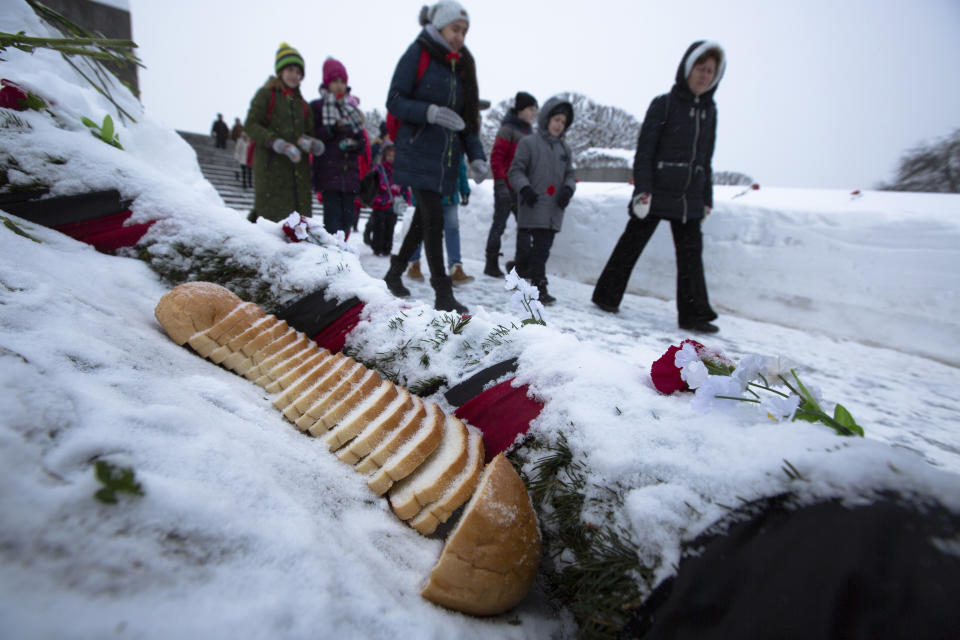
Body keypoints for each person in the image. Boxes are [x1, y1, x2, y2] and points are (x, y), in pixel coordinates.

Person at [591, 40, 725, 333]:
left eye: (711, 72)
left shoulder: (710, 111)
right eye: (701, 69)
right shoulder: (664, 104)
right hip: (657, 190)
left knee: (691, 255)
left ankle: (694, 314)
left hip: (690, 197)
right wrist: (643, 191)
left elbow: (706, 158)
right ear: (688, 69)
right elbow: (645, 151)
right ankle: (606, 296)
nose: (705, 76)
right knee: (631, 244)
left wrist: (706, 198)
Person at [382, 0, 488, 314]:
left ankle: (393, 273)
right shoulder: (419, 52)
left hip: (445, 158)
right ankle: (442, 293)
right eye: (456, 28)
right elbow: (395, 100)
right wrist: (429, 112)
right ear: (440, 24)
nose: (460, 36)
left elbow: (466, 120)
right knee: (435, 220)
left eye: (465, 31)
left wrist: (477, 157)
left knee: (423, 221)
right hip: (417, 151)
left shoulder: (461, 64)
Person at [243, 43, 325, 223]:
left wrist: (310, 143)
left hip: (299, 174)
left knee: (298, 224)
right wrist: (275, 142)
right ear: (280, 70)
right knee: (270, 222)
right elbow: (250, 124)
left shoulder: (302, 104)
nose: (295, 75)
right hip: (271, 170)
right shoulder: (266, 94)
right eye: (290, 70)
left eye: (298, 72)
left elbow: (309, 133)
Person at [506, 96, 576, 305]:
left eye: (563, 122)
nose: (559, 125)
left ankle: (519, 272)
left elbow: (570, 175)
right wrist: (525, 188)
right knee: (537, 249)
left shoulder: (565, 149)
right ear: (546, 119)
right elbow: (516, 170)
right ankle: (538, 286)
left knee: (541, 250)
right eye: (556, 119)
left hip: (554, 208)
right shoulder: (529, 143)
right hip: (533, 204)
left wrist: (568, 190)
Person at [484, 91, 537, 277]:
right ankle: (490, 263)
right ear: (521, 109)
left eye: (535, 110)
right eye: (531, 109)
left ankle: (521, 266)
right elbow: (496, 157)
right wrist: (500, 183)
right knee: (499, 224)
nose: (533, 114)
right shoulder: (507, 129)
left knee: (525, 226)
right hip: (505, 185)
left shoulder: (530, 132)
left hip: (521, 188)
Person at [310, 58, 364, 237]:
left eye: (342, 81)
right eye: (335, 81)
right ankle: (331, 259)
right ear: (327, 83)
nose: (339, 86)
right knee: (332, 223)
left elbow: (361, 142)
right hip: (329, 174)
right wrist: (332, 129)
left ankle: (342, 257)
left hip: (349, 176)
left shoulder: (351, 110)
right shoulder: (318, 107)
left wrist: (354, 145)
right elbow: (314, 136)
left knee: (347, 223)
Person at [406, 154, 473, 284]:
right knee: (421, 227)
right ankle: (413, 263)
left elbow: (461, 167)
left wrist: (464, 189)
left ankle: (455, 267)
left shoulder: (455, 140)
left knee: (452, 228)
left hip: (450, 194)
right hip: (428, 192)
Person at [368, 141, 412, 256]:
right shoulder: (379, 169)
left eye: (394, 156)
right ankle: (377, 247)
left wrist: (407, 198)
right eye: (389, 155)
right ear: (384, 156)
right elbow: (373, 185)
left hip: (393, 204)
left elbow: (404, 187)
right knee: (379, 226)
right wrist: (376, 196)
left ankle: (387, 248)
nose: (392, 158)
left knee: (390, 227)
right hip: (380, 203)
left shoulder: (398, 171)